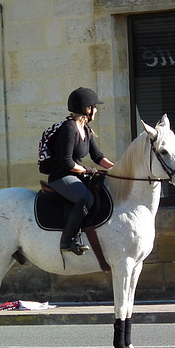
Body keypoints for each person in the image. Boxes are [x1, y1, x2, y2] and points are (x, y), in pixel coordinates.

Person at [48, 87, 114, 255]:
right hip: (61, 176)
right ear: (87, 108)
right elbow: (66, 162)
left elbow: (98, 156)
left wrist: (116, 168)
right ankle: (68, 240)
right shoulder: (69, 129)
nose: (96, 110)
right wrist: (86, 170)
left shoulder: (86, 130)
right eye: (94, 106)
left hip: (76, 174)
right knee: (86, 198)